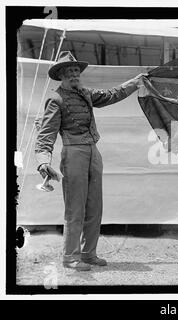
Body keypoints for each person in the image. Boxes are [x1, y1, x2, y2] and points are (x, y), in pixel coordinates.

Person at [35, 51, 146, 271]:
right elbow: (45, 134)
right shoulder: (55, 99)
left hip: (93, 152)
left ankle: (88, 253)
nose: (75, 74)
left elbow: (111, 95)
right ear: (62, 75)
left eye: (76, 70)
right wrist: (43, 161)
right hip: (73, 153)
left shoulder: (85, 93)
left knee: (95, 207)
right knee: (75, 209)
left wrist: (135, 82)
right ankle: (70, 257)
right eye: (70, 71)